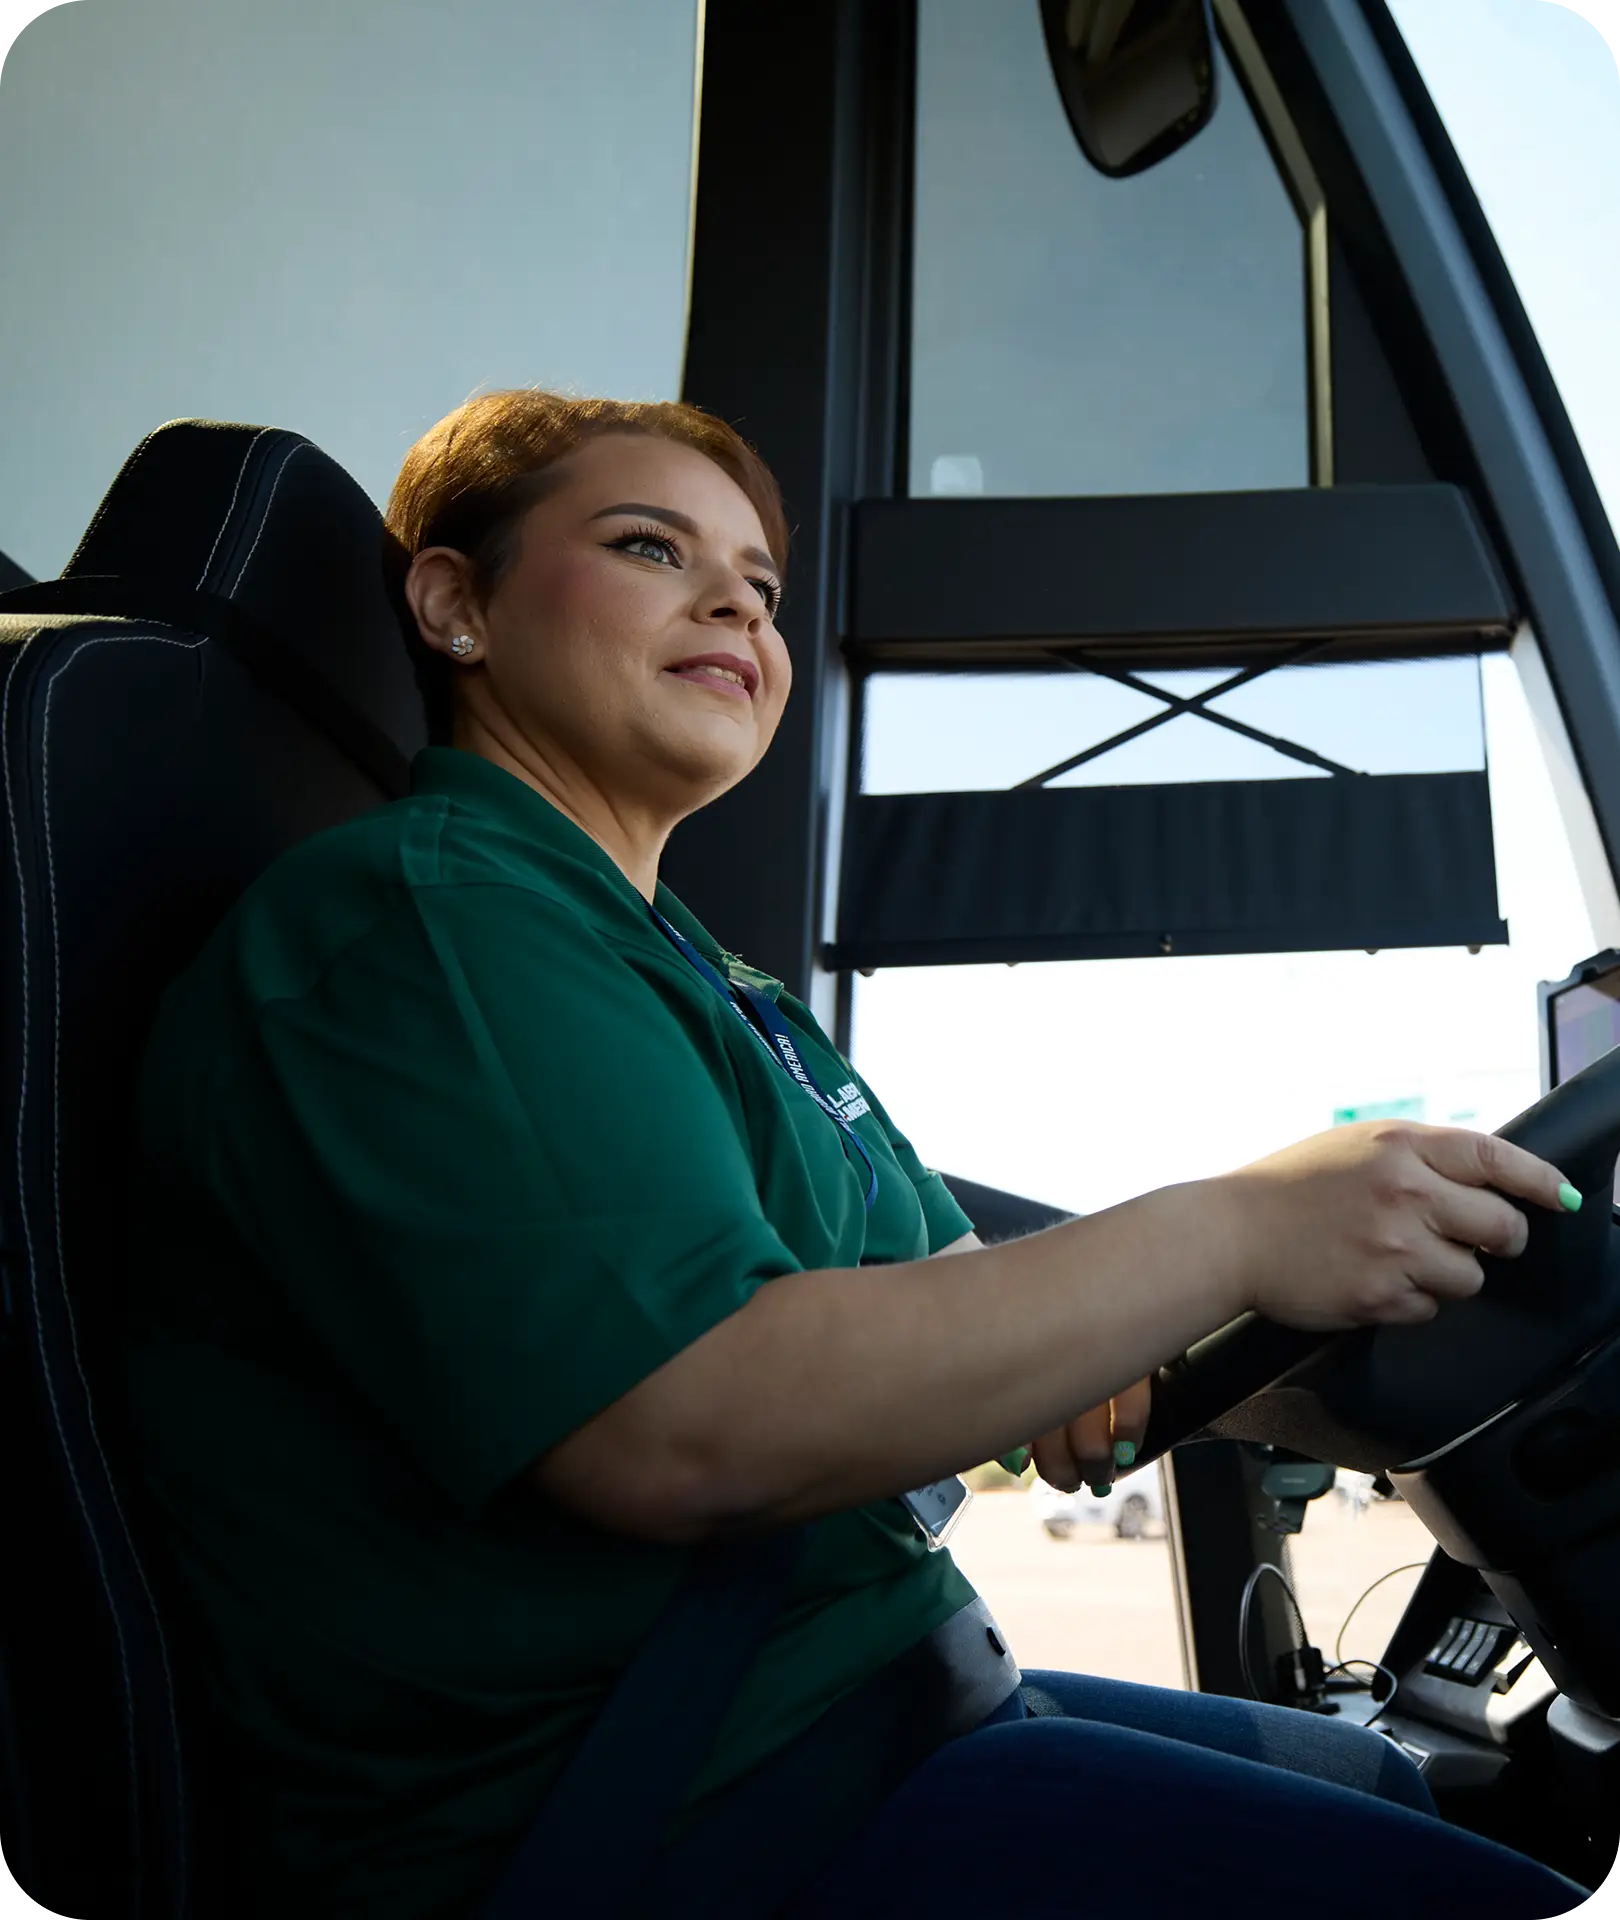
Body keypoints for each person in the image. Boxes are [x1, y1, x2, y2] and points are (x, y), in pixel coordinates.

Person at [124, 388, 1593, 1918]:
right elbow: (686, 1416)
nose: (733, 607)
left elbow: (932, 1287)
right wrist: (1230, 1234)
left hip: (860, 1706)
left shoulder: (698, 976)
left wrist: (1120, 1337)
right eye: (650, 547)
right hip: (662, 1811)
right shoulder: (433, 922)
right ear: (455, 604)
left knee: (1392, 1780)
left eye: (760, 584)